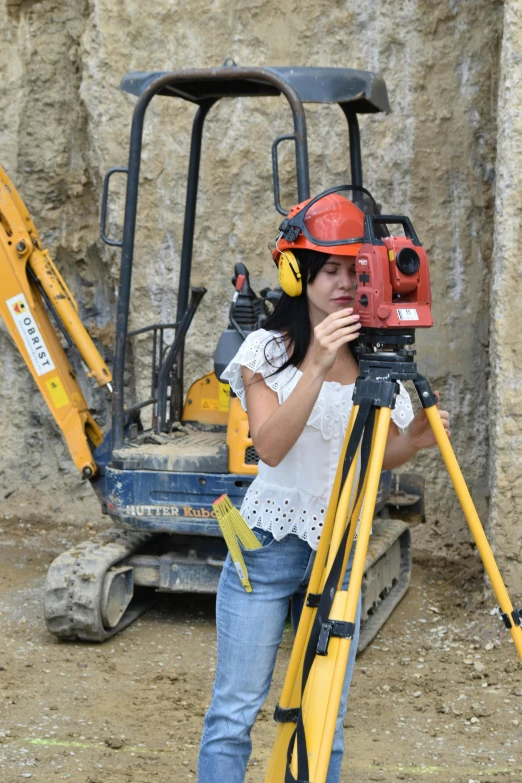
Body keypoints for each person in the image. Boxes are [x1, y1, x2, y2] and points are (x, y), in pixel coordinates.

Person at [198, 189, 450, 783]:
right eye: (330, 269)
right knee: (234, 712)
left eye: (353, 268)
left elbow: (366, 456)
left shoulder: (375, 358)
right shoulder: (268, 351)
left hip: (339, 547)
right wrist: (314, 366)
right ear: (299, 274)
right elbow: (272, 446)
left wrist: (411, 440)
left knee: (324, 718)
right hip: (265, 546)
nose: (343, 282)